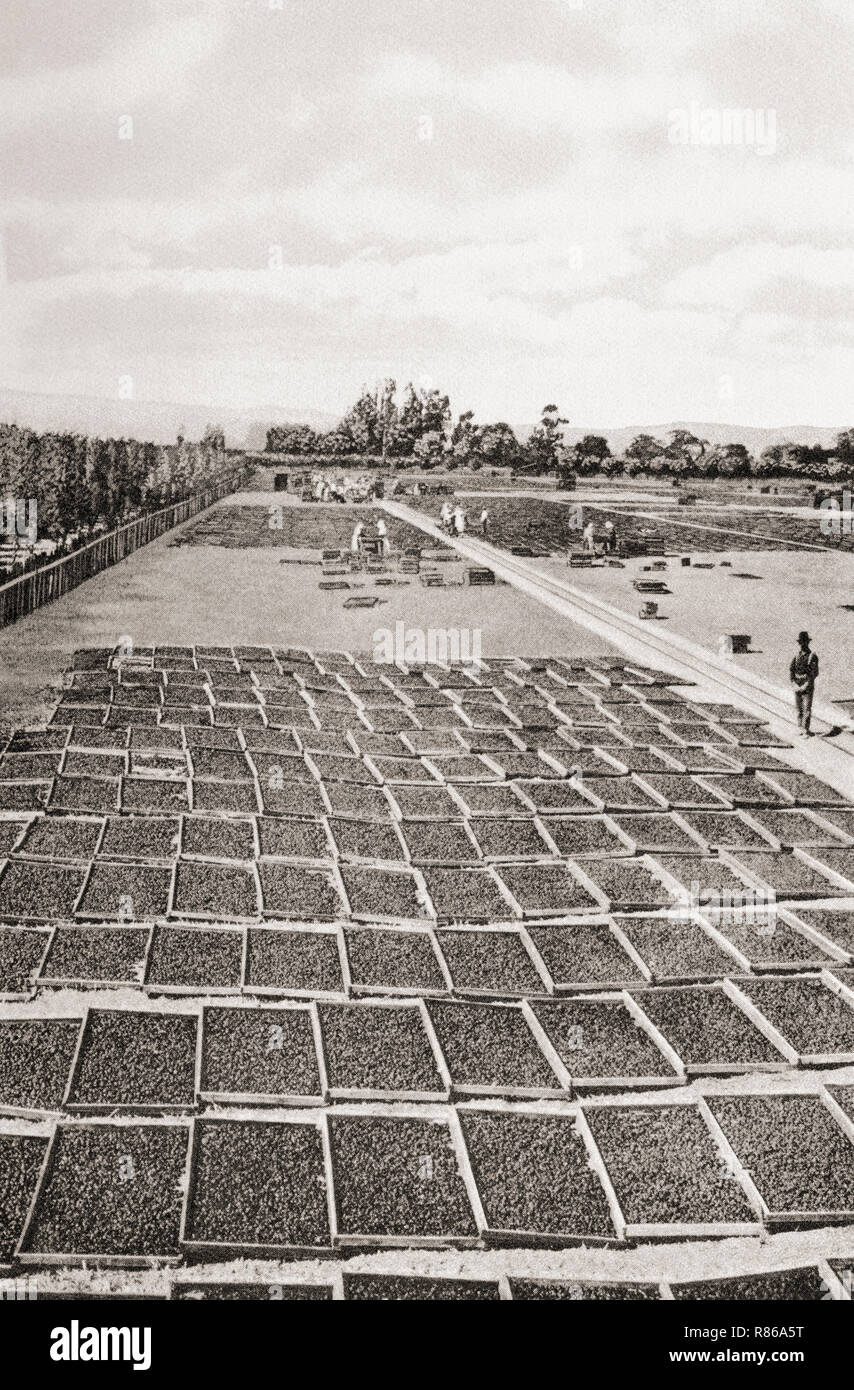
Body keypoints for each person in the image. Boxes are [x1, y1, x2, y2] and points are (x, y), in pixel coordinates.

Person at [790, 630, 819, 737]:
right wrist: (794, 684)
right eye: (800, 642)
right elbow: (791, 670)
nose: (802, 644)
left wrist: (805, 685)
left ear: (807, 642)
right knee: (798, 709)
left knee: (806, 708)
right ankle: (800, 728)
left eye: (804, 642)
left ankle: (806, 730)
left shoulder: (812, 656)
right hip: (797, 685)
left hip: (807, 686)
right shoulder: (796, 656)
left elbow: (814, 673)